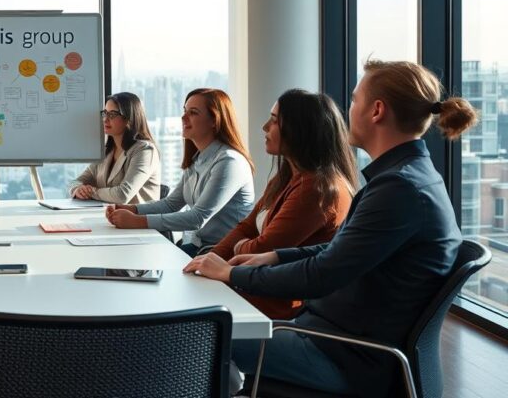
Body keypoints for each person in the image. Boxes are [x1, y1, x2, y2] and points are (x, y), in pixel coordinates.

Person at [184, 60, 478, 397]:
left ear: (377, 110)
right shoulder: (405, 177)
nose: (348, 109)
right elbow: (340, 251)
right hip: (330, 337)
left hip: (344, 356)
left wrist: (232, 275)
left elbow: (322, 275)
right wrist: (276, 256)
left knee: (200, 339)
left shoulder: (400, 189)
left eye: (354, 100)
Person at [206, 89, 356, 319]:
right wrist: (210, 260)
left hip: (276, 307)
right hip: (252, 290)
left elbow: (262, 249)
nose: (265, 127)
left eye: (274, 120)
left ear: (299, 130)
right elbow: (246, 227)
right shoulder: (287, 177)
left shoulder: (317, 188)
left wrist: (238, 248)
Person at [105, 88, 255, 256]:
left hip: (222, 253)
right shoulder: (198, 159)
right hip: (198, 247)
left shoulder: (229, 161)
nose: (183, 117)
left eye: (193, 113)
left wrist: (138, 221)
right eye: (185, 111)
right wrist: (131, 209)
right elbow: (171, 204)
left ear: (214, 120)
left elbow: (198, 218)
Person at [68, 92, 161, 205]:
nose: (105, 119)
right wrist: (78, 189)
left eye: (112, 114)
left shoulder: (145, 151)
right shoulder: (107, 150)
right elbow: (76, 181)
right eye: (105, 113)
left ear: (128, 119)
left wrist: (92, 192)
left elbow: (123, 195)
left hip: (137, 220)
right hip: (107, 217)